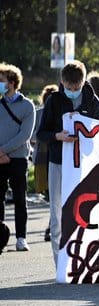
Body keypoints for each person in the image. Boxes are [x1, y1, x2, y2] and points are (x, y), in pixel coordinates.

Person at [37, 60, 99, 267]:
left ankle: (83, 259)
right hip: (58, 162)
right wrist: (58, 136)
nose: (72, 92)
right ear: (61, 82)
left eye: (76, 88)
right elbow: (41, 133)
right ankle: (60, 264)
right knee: (57, 213)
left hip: (83, 164)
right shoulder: (54, 101)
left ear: (84, 82)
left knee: (84, 212)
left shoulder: (92, 101)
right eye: (68, 88)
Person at [0, 63, 36, 251]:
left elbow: (25, 135)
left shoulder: (27, 105)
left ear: (12, 82)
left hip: (18, 158)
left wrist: (4, 151)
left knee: (20, 199)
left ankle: (21, 237)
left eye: (2, 80)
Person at [34, 84, 58, 242]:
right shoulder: (57, 113)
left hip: (41, 160)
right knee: (56, 197)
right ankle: (52, 226)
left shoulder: (39, 113)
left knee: (51, 196)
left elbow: (35, 136)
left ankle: (52, 225)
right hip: (53, 157)